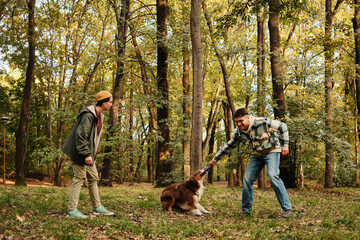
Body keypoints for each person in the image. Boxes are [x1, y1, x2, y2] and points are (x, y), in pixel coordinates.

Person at [209, 108, 294, 218]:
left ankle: (288, 209)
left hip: (272, 150)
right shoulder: (238, 132)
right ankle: (246, 211)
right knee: (247, 178)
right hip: (257, 154)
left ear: (248, 117)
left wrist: (285, 145)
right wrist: (215, 159)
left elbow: (282, 126)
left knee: (273, 176)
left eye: (241, 121)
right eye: (237, 122)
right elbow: (229, 145)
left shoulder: (262, 122)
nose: (239, 124)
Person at [62, 90, 115, 219]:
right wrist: (86, 154)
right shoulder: (88, 115)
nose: (111, 104)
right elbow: (81, 136)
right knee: (79, 178)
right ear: (103, 102)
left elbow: (94, 139)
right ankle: (72, 210)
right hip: (79, 151)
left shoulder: (100, 116)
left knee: (93, 177)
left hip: (88, 153)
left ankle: (98, 207)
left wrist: (92, 155)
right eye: (110, 102)